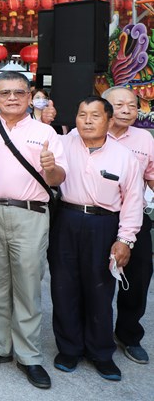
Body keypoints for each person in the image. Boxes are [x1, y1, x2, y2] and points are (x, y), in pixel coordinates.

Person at [0, 71, 66, 389]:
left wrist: (51, 166)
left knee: (27, 284)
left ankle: (29, 355)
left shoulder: (46, 132)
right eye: (5, 93)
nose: (12, 98)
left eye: (19, 92)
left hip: (31, 214)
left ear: (30, 96)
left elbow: (56, 179)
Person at [50, 96, 144, 381]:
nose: (87, 121)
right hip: (66, 219)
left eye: (95, 115)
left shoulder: (123, 156)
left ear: (109, 120)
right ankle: (69, 348)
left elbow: (132, 201)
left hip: (104, 224)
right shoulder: (63, 144)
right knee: (63, 287)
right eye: (82, 114)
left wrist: (125, 240)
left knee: (100, 291)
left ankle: (101, 352)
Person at [103, 86, 154, 365]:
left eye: (132, 106)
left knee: (138, 276)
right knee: (95, 279)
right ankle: (95, 334)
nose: (126, 110)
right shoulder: (87, 131)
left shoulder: (144, 138)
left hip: (135, 216)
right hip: (100, 216)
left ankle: (129, 335)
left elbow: (151, 175)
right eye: (119, 104)